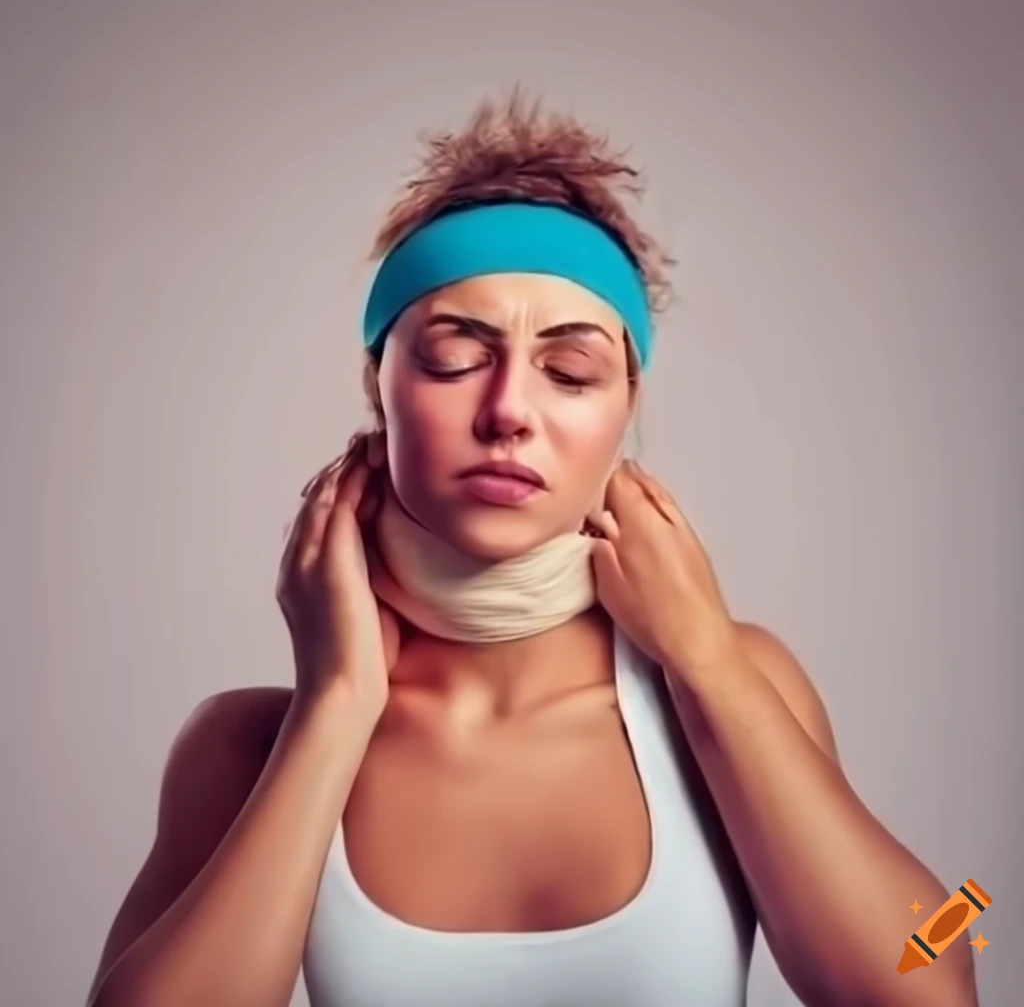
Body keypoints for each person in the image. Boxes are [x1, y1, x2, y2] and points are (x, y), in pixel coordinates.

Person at [85, 93, 979, 1007]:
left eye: (570, 372)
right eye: (453, 359)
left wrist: (707, 664)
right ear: (378, 390)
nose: (509, 409)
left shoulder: (732, 678)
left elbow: (932, 974)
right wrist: (335, 710)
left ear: (625, 409)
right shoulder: (244, 745)